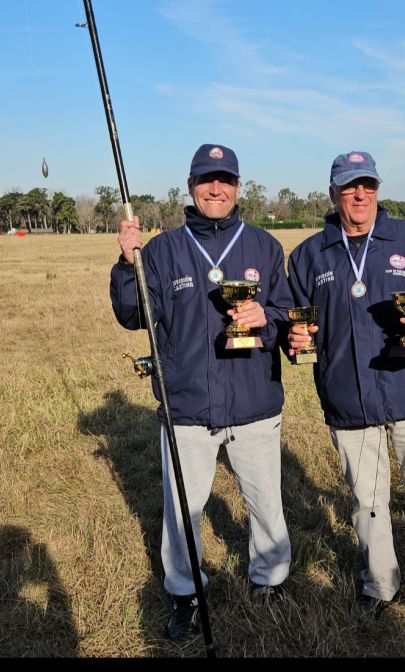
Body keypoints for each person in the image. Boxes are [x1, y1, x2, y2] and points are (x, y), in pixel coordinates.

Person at [110, 143, 292, 642]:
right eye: (207, 180)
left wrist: (268, 319)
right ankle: (186, 592)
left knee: (265, 502)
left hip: (254, 402)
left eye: (226, 180)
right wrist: (128, 264)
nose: (217, 189)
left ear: (238, 187)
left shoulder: (265, 246)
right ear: (190, 186)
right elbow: (133, 315)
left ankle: (270, 580)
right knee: (183, 509)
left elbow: (288, 315)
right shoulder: (165, 249)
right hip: (187, 406)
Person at [287, 151, 405, 631]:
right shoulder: (308, 254)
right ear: (333, 194)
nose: (360, 195)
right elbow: (297, 322)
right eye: (349, 187)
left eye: (367, 185)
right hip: (349, 398)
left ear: (378, 190)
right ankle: (380, 584)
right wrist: (297, 339)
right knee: (367, 501)